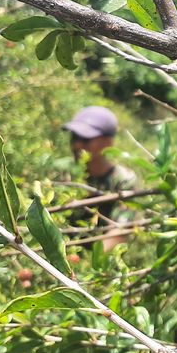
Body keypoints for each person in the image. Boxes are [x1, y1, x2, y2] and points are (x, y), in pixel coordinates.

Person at [63, 106, 138, 251]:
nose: (77, 144)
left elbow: (120, 229)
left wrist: (90, 265)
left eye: (85, 139)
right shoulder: (62, 173)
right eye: (74, 137)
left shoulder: (124, 180)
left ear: (108, 143)